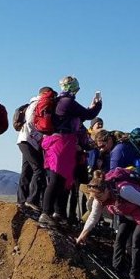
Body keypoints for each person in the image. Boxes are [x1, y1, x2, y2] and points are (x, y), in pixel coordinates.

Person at [39, 76, 102, 226]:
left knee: (61, 180)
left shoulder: (60, 102)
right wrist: (98, 104)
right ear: (73, 88)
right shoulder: (67, 102)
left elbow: (82, 115)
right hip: (61, 143)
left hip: (58, 143)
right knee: (56, 180)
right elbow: (89, 115)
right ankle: (45, 213)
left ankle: (58, 213)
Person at [76, 169, 140, 279]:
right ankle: (117, 269)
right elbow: (93, 218)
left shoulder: (124, 190)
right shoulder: (98, 198)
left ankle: (135, 276)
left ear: (106, 190)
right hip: (126, 214)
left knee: (136, 242)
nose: (99, 200)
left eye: (100, 197)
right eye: (96, 198)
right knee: (119, 240)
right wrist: (82, 236)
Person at [17, 87, 51, 211]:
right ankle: (32, 200)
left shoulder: (34, 103)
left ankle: (21, 200)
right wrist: (39, 137)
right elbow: (31, 122)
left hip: (25, 139)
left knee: (26, 170)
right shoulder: (37, 104)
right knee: (39, 170)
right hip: (29, 139)